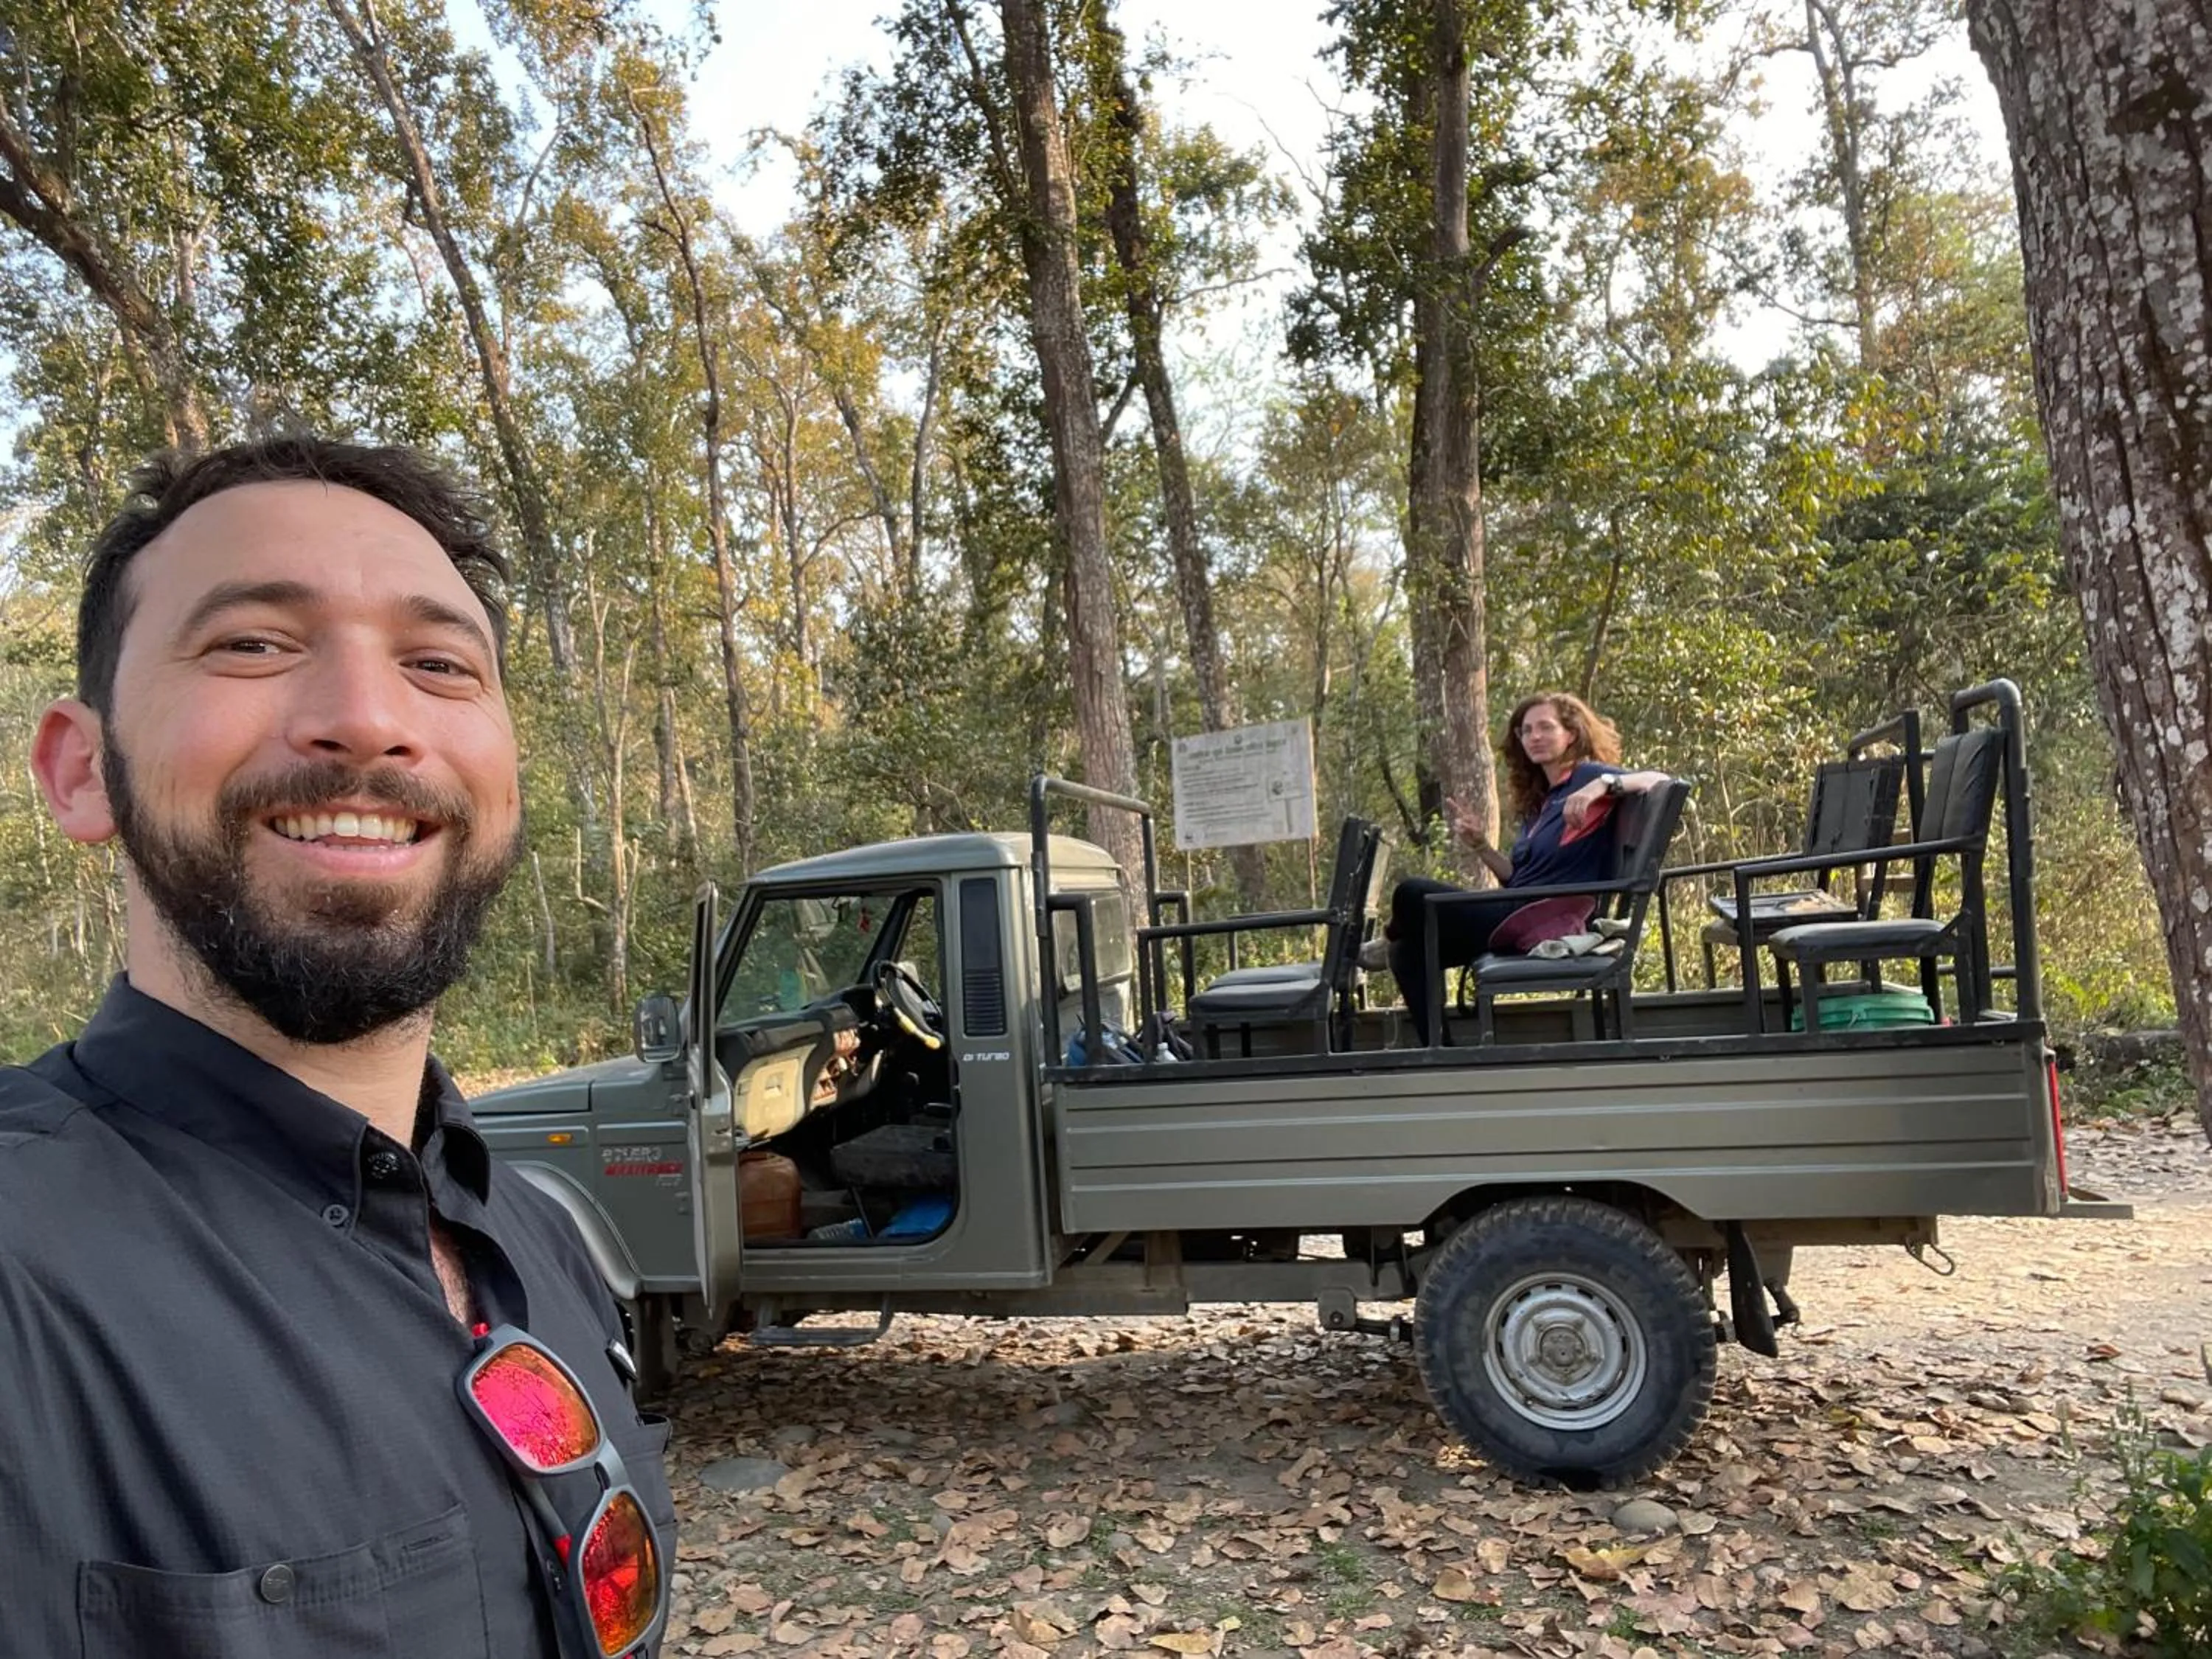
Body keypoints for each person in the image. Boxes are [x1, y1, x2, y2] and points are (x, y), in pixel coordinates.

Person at [0, 437, 677, 1658]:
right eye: (254, 643)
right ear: (82, 769)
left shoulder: (539, 1237)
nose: (368, 719)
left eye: (437, 663)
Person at [1384, 692, 1672, 1042]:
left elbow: (1662, 781)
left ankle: (1388, 932)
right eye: (1526, 730)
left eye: (1546, 727)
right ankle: (1441, 1052)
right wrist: (1482, 847)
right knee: (1406, 952)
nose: (1534, 736)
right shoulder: (1544, 800)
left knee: (1411, 892)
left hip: (1543, 914)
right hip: (1521, 906)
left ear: (1572, 734)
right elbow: (1517, 879)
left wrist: (1602, 785)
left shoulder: (1589, 777)